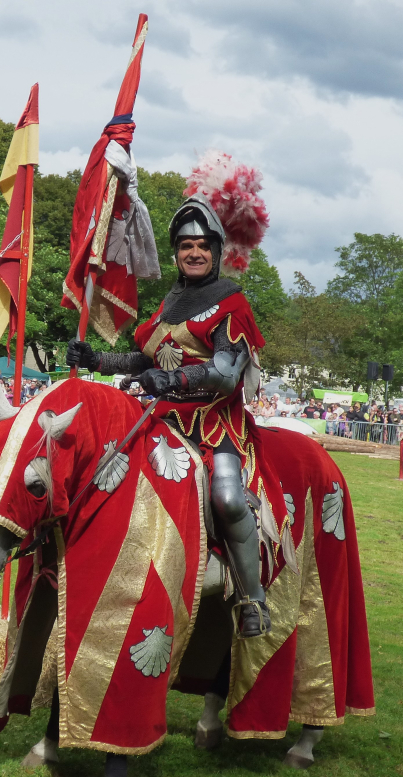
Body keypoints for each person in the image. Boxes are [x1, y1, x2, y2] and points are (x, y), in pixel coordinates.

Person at [67, 195, 273, 637]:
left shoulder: (231, 303)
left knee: (228, 498)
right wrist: (97, 360)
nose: (193, 253)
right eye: (185, 246)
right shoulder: (169, 304)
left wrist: (175, 382)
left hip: (213, 422)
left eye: (202, 245)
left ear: (217, 252)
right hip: (161, 416)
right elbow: (147, 362)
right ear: (176, 254)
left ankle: (252, 597)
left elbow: (226, 372)